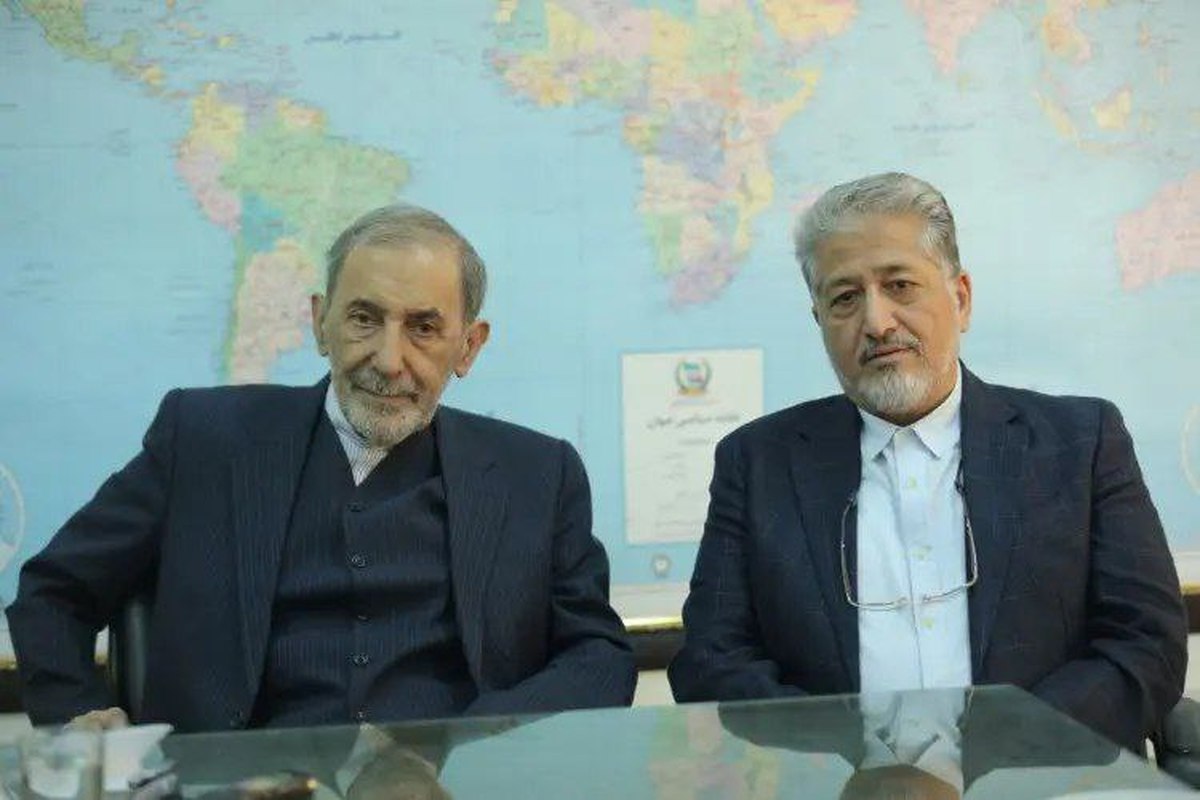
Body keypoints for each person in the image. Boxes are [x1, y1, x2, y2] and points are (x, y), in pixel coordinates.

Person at [8, 204, 636, 732]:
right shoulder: (202, 439)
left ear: (468, 347)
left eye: (423, 328)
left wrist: (481, 741)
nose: (388, 359)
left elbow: (599, 656)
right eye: (364, 319)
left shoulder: (538, 474)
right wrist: (78, 718)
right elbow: (53, 593)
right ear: (320, 323)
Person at [668, 172, 1186, 752]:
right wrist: (857, 757)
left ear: (960, 298)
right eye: (845, 298)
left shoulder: (1080, 443)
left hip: (1040, 780)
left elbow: (1146, 644)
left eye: (900, 285)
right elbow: (711, 663)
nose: (877, 322)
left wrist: (994, 752)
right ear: (820, 322)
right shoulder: (758, 463)